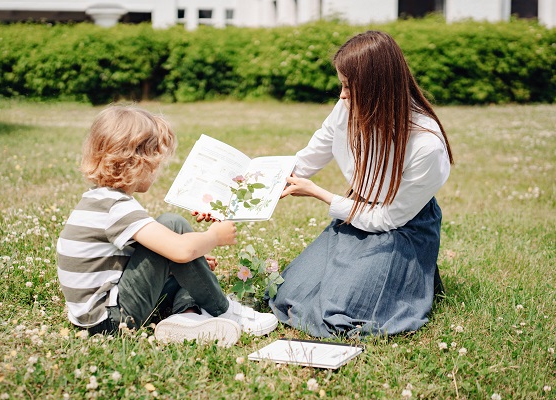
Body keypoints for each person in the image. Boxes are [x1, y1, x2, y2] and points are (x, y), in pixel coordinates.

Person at [268, 31, 453, 338]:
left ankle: (408, 279)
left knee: (338, 316)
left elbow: (387, 218)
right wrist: (248, 184)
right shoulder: (346, 109)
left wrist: (319, 194)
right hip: (356, 214)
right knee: (287, 296)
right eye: (342, 84)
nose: (341, 95)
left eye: (349, 87)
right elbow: (307, 159)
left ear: (378, 89)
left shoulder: (426, 145)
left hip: (400, 230)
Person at [56, 105, 277, 347]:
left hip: (97, 317)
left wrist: (194, 262)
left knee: (181, 253)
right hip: (111, 323)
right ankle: (223, 310)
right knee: (173, 226)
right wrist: (213, 236)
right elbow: (180, 250)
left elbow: (137, 258)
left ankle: (187, 317)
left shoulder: (99, 199)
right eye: (157, 161)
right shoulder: (116, 206)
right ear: (139, 162)